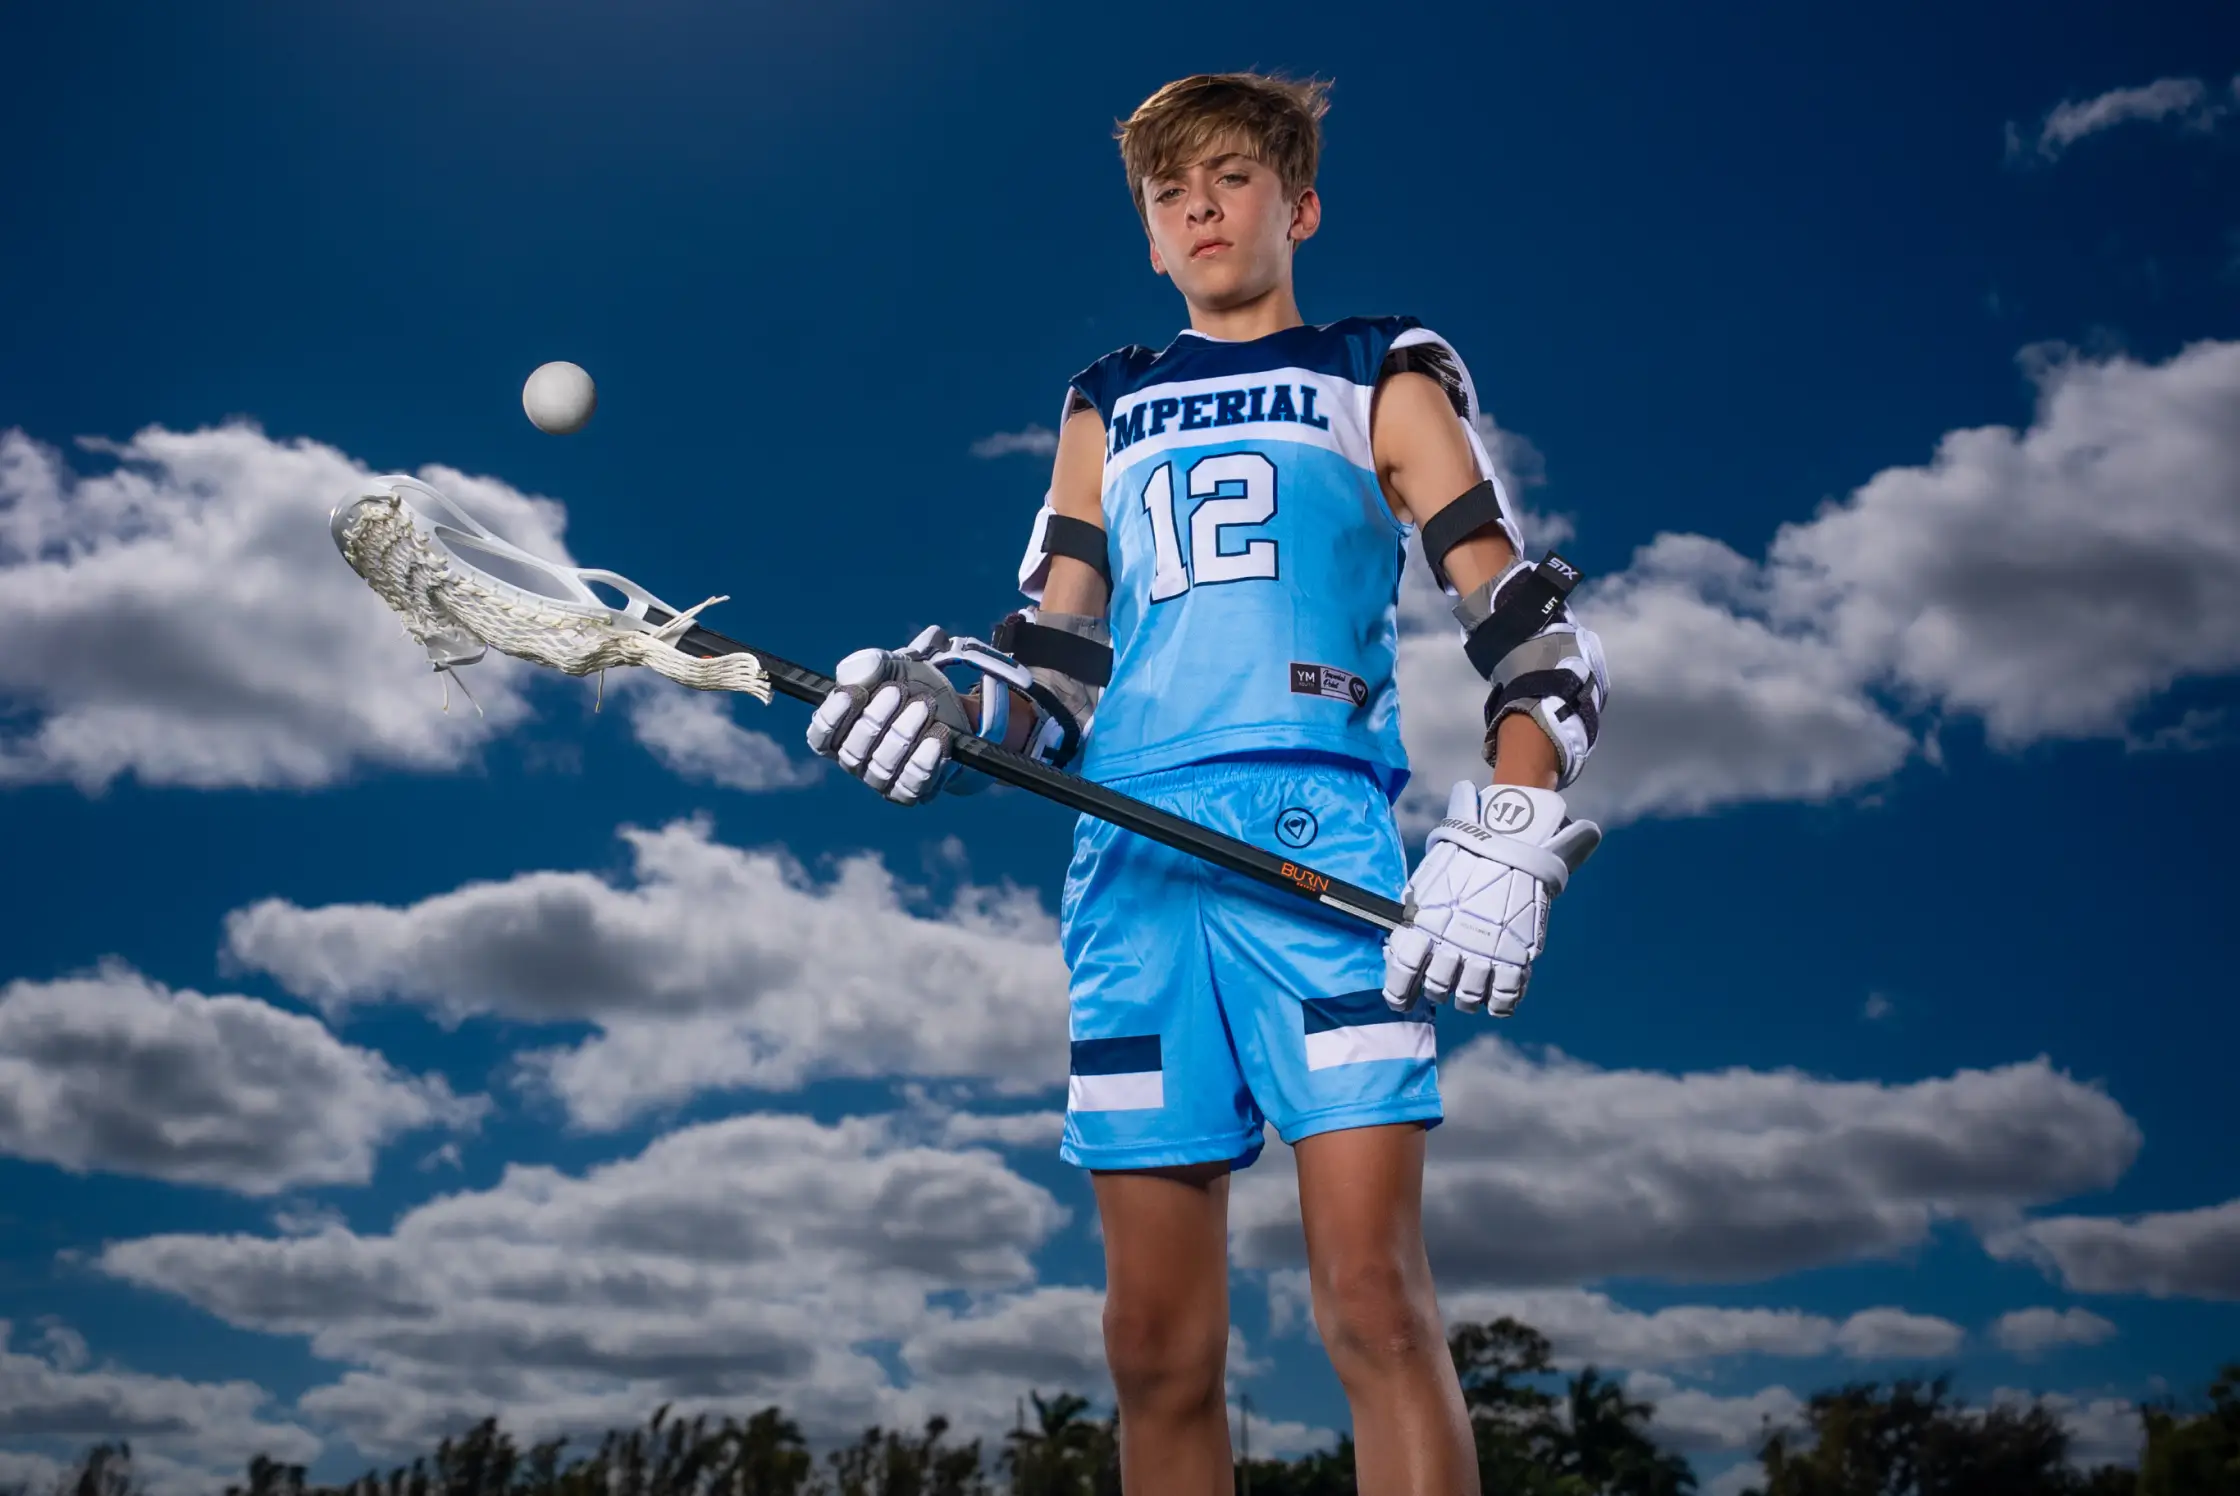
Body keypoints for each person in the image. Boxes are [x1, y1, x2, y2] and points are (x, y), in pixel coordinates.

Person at [805, 72, 1609, 1496]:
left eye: (1231, 178)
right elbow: (1050, 681)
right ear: (1150, 240)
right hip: (1134, 869)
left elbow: (1534, 636)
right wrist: (942, 703)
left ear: (1295, 208)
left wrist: (1513, 818)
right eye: (1170, 192)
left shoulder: (1383, 370)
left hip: (1322, 848)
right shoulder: (1105, 402)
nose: (1199, 206)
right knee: (1154, 1346)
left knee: (1370, 1298)